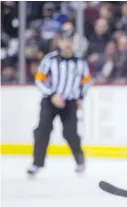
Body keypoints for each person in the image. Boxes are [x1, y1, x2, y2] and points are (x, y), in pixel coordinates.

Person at [27, 28, 91, 177]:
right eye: (65, 41)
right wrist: (52, 95)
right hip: (50, 101)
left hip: (70, 102)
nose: (68, 44)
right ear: (59, 43)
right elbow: (39, 79)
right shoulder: (50, 59)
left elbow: (86, 81)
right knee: (42, 130)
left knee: (70, 133)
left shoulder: (80, 62)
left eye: (71, 41)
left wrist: (81, 97)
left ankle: (79, 159)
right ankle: (37, 163)